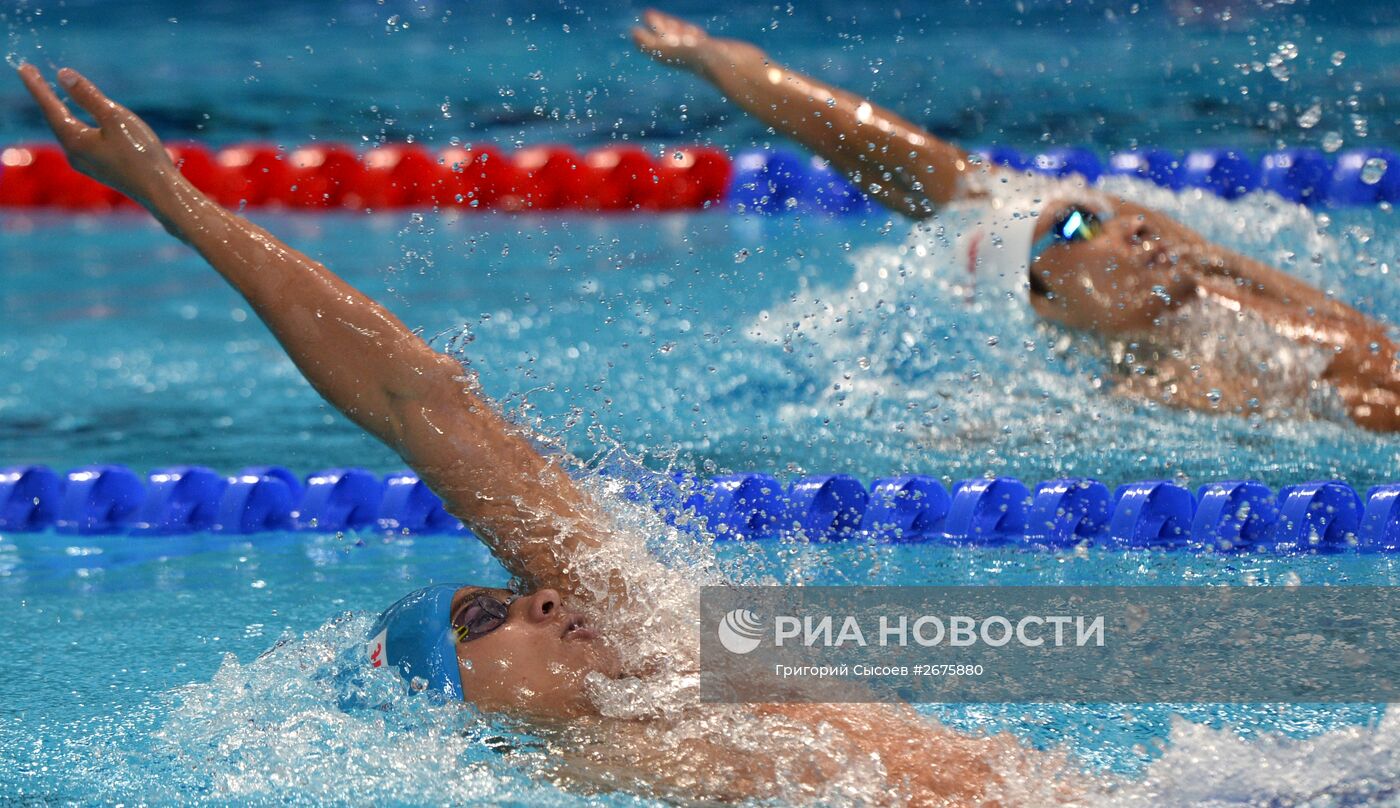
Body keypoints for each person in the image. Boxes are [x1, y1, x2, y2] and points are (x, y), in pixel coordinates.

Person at [17, 64, 1063, 805]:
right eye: (485, 619)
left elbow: (416, 399)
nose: (546, 592)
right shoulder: (577, 767)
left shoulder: (670, 652)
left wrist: (174, 198)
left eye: (507, 594)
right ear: (450, 711)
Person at [633, 10, 1400, 432]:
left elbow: (875, 144)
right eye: (1078, 232)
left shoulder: (1201, 273)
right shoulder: (1161, 393)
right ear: (1040, 297)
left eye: (1113, 215)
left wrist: (715, 58)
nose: (1130, 228)